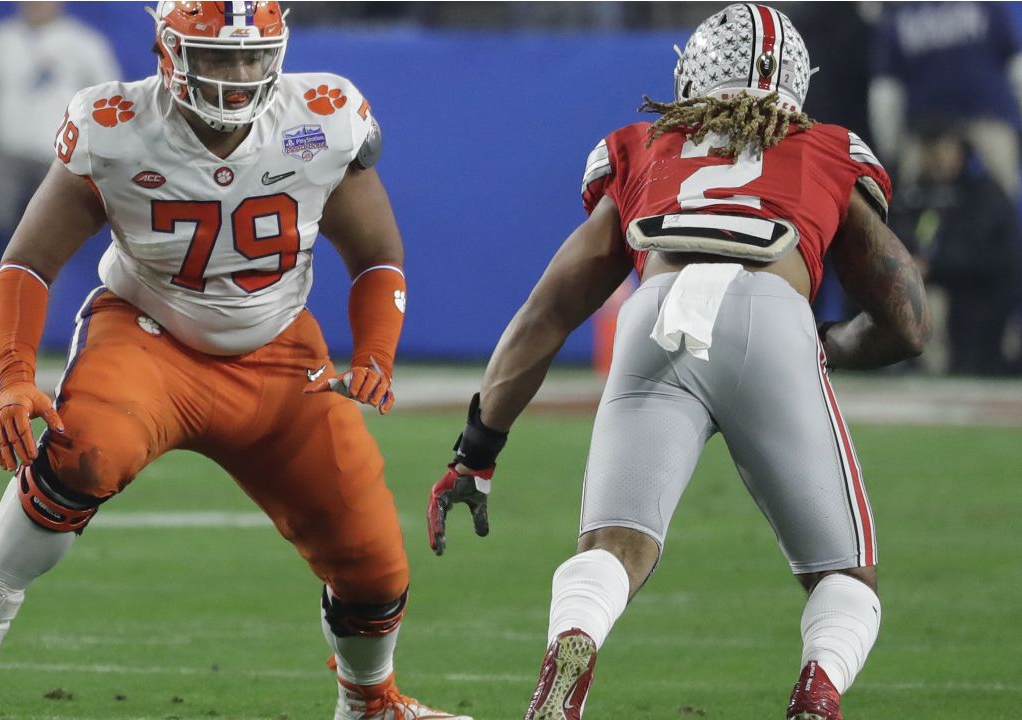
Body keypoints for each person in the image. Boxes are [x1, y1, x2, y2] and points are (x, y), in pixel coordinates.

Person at [0, 3, 470, 720]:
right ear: (168, 49)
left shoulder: (323, 115)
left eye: (254, 57)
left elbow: (378, 255)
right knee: (84, 455)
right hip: (148, 337)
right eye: (218, 57)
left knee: (375, 565)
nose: (239, 75)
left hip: (280, 355)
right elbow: (29, 263)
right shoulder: (115, 127)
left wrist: (377, 352)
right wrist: (12, 378)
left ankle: (371, 702)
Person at [426, 5, 928, 720]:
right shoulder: (826, 149)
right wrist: (830, 347)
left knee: (613, 547)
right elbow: (908, 324)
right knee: (844, 577)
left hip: (655, 315)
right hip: (769, 314)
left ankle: (574, 638)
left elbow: (546, 314)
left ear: (691, 72)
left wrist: (475, 455)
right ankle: (817, 691)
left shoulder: (644, 145)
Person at [0, 2, 121, 235]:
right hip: (7, 148)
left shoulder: (84, 43)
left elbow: (106, 98)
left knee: (53, 232)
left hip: (57, 157)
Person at [890, 122, 1022, 376]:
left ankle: (949, 365)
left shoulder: (983, 195)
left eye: (945, 151)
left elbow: (988, 255)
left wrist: (934, 266)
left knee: (941, 303)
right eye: (931, 152)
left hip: (970, 290)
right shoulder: (910, 194)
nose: (938, 160)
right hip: (916, 281)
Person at [870, 2, 1022, 199]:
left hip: (941, 131)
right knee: (1000, 201)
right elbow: (1016, 69)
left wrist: (891, 151)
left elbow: (884, 97)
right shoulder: (987, 7)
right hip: (953, 129)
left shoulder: (899, 18)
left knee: (914, 205)